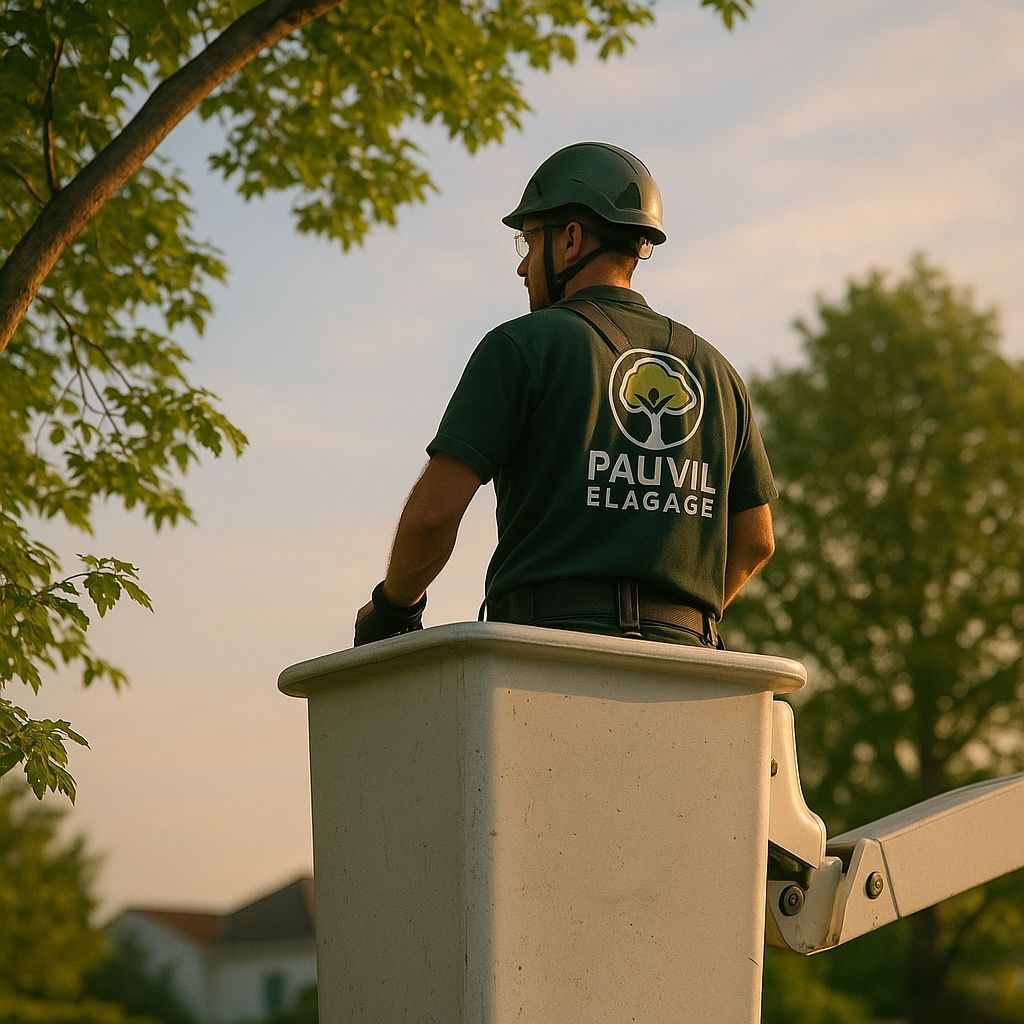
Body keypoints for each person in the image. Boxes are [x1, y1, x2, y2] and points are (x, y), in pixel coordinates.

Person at [354, 142, 776, 648]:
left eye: (529, 244)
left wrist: (393, 607)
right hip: (685, 671)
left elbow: (432, 515)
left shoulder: (520, 347)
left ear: (571, 239)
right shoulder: (719, 375)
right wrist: (676, 623)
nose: (523, 267)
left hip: (543, 663)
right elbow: (755, 541)